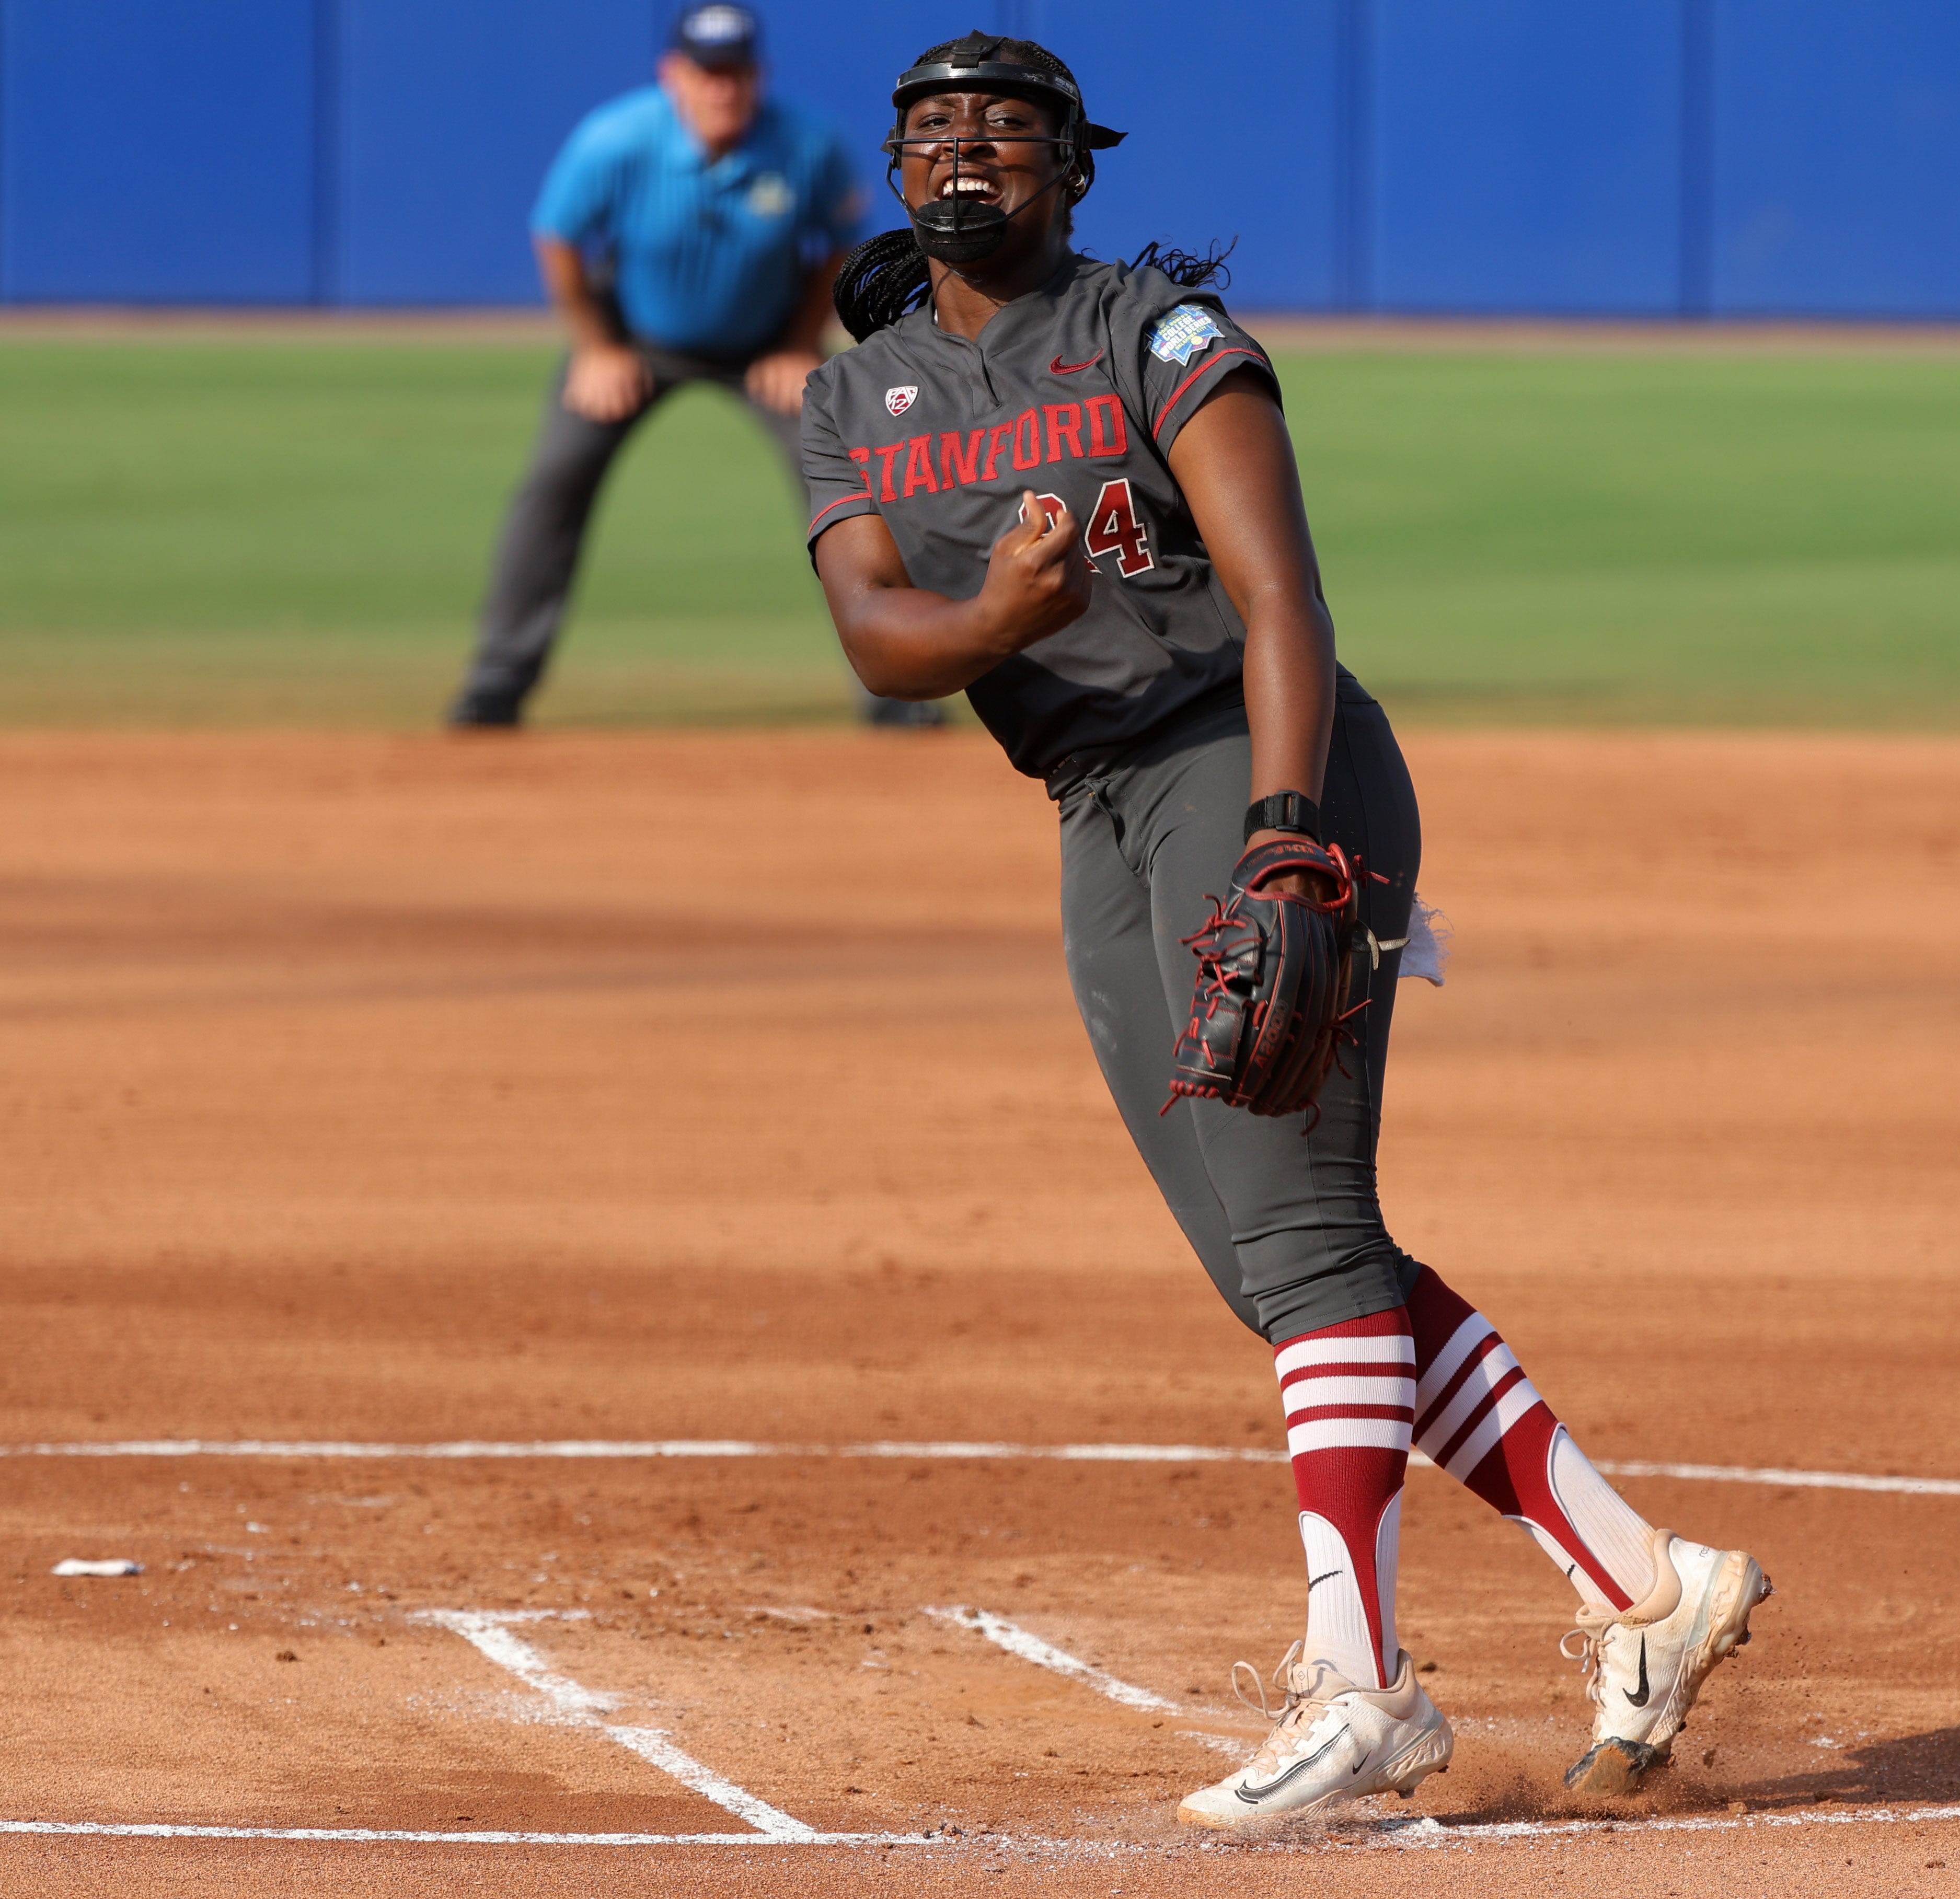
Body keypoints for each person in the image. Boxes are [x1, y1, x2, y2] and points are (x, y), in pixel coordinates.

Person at [798, 32, 1773, 1826]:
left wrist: (1284, 838)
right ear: (893, 165)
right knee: (1288, 1267)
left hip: (1255, 767)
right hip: (1091, 814)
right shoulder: (859, 399)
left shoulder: (1151, 332)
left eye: (1005, 130)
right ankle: (1647, 1581)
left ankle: (1363, 1688)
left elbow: (1280, 594)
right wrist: (1001, 608)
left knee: (1309, 1238)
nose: (965, 153)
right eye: (931, 128)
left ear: (1071, 168)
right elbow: (875, 639)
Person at [449, 5, 938, 729]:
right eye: (707, 73)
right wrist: (596, 346)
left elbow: (839, 244)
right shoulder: (616, 139)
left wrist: (800, 341)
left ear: (758, 76)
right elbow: (557, 237)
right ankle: (495, 685)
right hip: (635, 336)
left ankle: (895, 688)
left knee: (854, 482)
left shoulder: (806, 143)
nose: (723, 89)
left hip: (765, 339)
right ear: (672, 75)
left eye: (736, 72)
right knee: (554, 479)